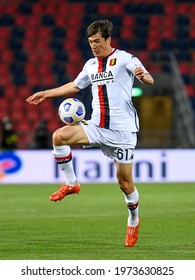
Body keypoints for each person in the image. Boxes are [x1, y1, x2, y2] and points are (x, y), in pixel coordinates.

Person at [26, 20, 154, 247]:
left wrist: (143, 76)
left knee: (124, 183)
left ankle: (133, 220)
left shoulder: (125, 58)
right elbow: (76, 86)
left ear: (108, 40)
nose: (93, 46)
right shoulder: (90, 65)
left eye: (97, 41)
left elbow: (148, 77)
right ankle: (71, 183)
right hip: (96, 125)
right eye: (90, 42)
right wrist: (46, 93)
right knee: (59, 137)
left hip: (123, 132)